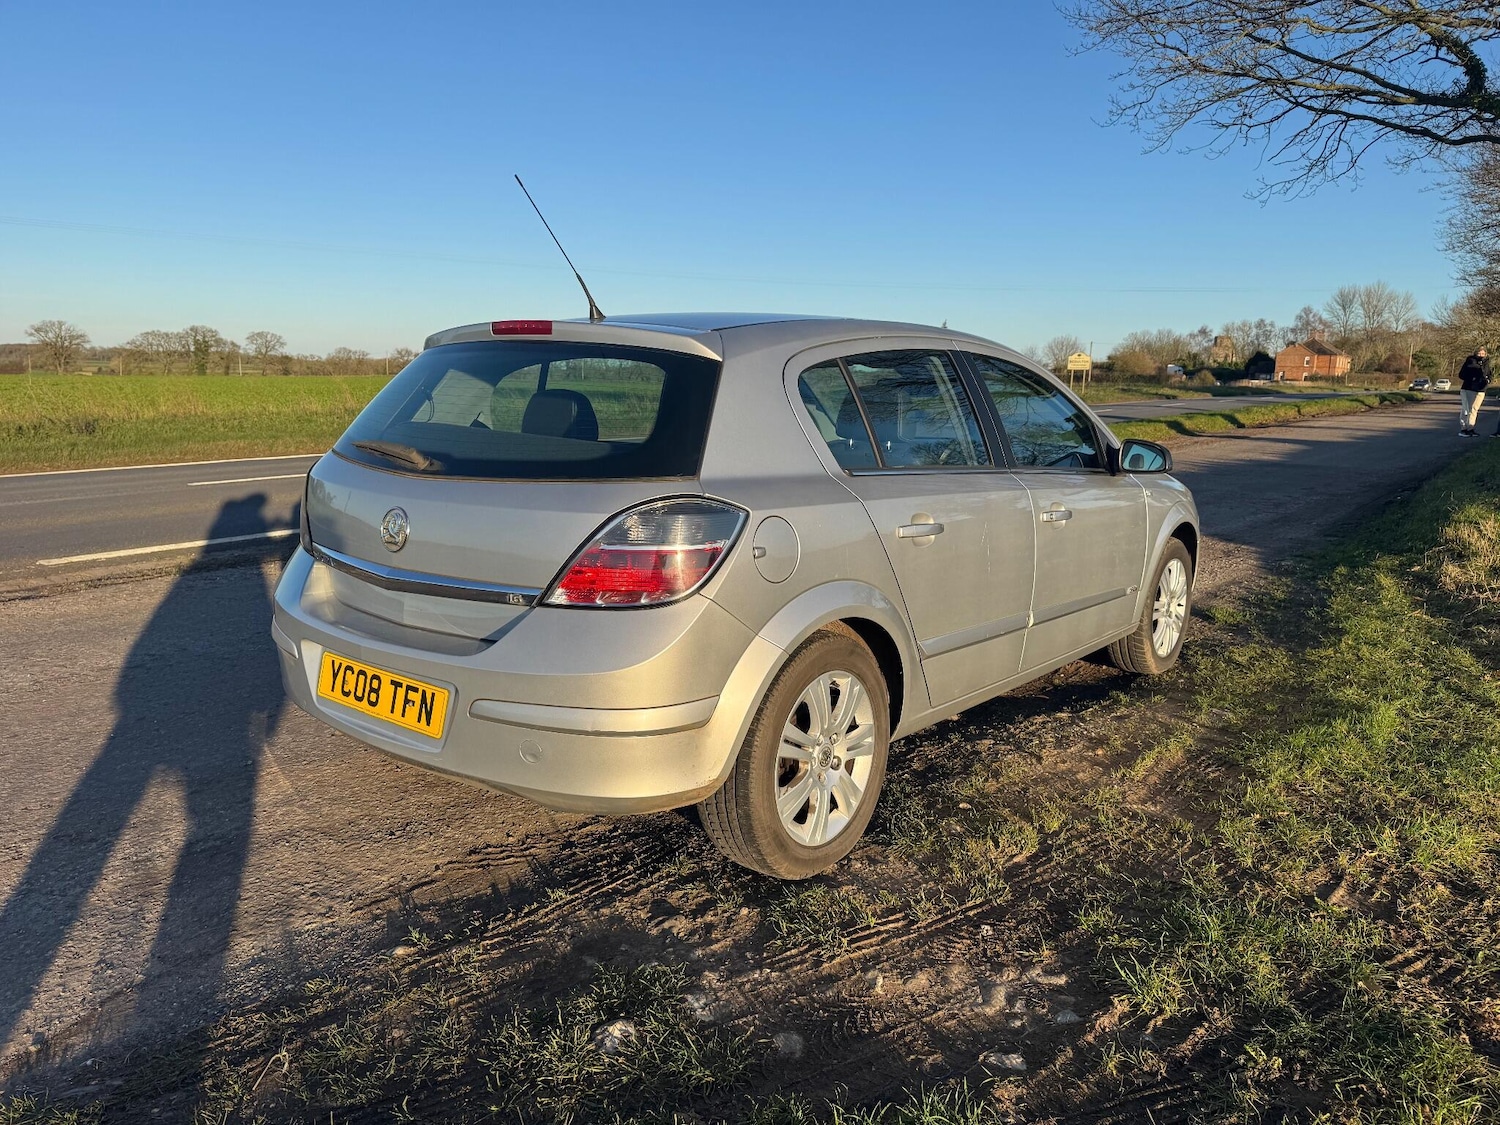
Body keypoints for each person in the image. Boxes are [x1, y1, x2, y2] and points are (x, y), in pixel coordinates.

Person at [1457, 347, 1491, 436]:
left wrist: (1488, 381)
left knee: (1474, 409)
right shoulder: (1470, 361)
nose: (1481, 355)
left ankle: (1471, 428)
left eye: (1483, 354)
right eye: (1479, 353)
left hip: (1481, 389)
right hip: (1468, 388)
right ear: (1475, 353)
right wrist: (1473, 378)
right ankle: (1463, 429)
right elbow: (1461, 375)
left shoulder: (1487, 363)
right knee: (1466, 409)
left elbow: (1489, 374)